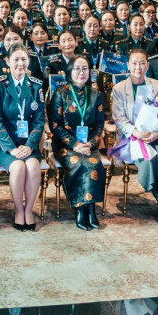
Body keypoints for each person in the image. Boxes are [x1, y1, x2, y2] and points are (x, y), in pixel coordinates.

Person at [112, 49, 158, 233]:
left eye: (142, 63)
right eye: (134, 63)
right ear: (128, 65)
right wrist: (137, 133)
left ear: (147, 65)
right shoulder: (119, 89)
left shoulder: (156, 85)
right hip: (131, 138)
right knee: (148, 160)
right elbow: (119, 119)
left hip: (154, 135)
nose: (138, 67)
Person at [0, 44, 46, 232]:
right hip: (5, 145)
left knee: (33, 166)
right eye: (16, 59)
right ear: (7, 61)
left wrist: (29, 146)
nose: (20, 64)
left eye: (24, 59)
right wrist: (11, 148)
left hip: (28, 143)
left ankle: (29, 210)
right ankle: (19, 210)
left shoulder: (36, 86)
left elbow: (39, 121)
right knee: (18, 166)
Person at [46, 54, 106, 230]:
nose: (81, 72)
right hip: (66, 144)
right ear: (69, 71)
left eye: (85, 69)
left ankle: (91, 209)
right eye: (77, 69)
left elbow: (99, 124)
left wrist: (91, 143)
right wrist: (75, 144)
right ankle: (80, 209)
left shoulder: (95, 94)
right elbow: (54, 125)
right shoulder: (60, 93)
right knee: (79, 163)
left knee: (94, 163)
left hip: (88, 144)